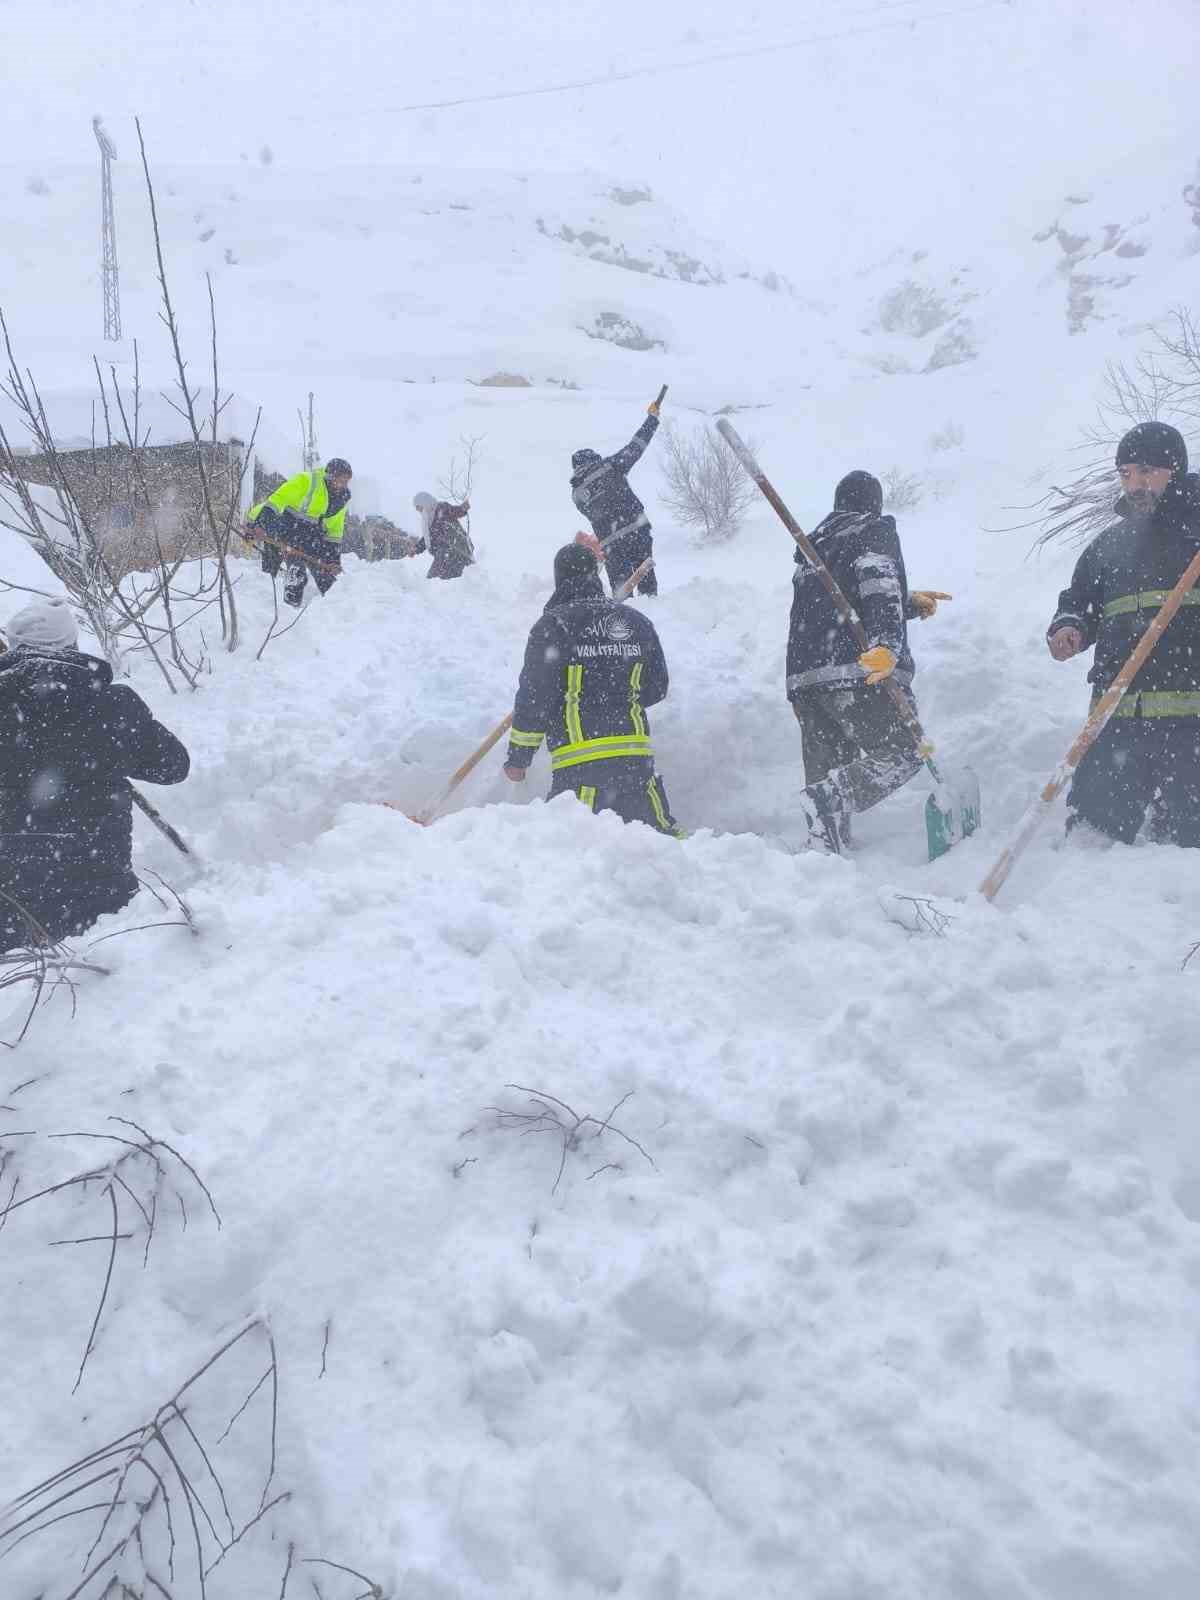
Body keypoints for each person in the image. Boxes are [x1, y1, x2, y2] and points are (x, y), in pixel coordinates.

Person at [0, 599, 190, 949]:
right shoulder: (113, 704)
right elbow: (174, 767)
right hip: (102, 909)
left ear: (13, 649)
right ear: (72, 645)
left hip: (9, 906)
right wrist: (110, 749)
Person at [1047, 420, 1200, 845]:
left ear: (1175, 471)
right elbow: (1079, 601)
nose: (1134, 484)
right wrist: (1069, 627)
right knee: (1092, 843)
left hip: (1190, 731)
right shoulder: (1108, 546)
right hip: (1116, 725)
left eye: (1146, 471)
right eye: (1126, 473)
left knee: (1188, 852)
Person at [787, 470, 951, 853]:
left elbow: (835, 607)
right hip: (856, 672)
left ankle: (823, 853)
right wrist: (888, 645)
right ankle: (830, 799)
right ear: (873, 503)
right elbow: (878, 584)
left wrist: (908, 603)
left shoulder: (814, 549)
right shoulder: (872, 529)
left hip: (808, 680)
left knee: (830, 772)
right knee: (908, 749)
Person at [501, 542, 682, 834]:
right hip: (636, 765)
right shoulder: (637, 623)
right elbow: (657, 687)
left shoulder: (553, 626)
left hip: (582, 769)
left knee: (577, 848)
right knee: (660, 841)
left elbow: (535, 699)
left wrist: (518, 759)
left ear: (560, 579)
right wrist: (616, 695)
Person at [570, 397, 662, 597]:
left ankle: (624, 613)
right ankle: (652, 607)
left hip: (611, 544)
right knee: (647, 585)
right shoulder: (609, 467)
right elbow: (636, 447)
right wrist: (652, 419)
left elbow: (596, 510)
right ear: (594, 459)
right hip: (637, 530)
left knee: (622, 593)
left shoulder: (576, 495)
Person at [246, 457, 353, 606]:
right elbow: (277, 501)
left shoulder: (340, 499)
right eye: (339, 480)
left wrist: (333, 561)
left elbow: (334, 532)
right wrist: (259, 525)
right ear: (329, 476)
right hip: (282, 525)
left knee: (326, 574)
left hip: (309, 533)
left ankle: (335, 607)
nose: (342, 485)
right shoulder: (306, 481)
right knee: (292, 572)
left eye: (346, 481)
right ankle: (278, 604)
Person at [411, 493, 475, 579]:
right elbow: (428, 538)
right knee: (446, 578)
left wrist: (462, 508)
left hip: (454, 548)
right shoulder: (430, 520)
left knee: (433, 577)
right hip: (449, 553)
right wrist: (416, 549)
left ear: (424, 502)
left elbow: (453, 511)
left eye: (419, 507)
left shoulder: (441, 508)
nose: (418, 510)